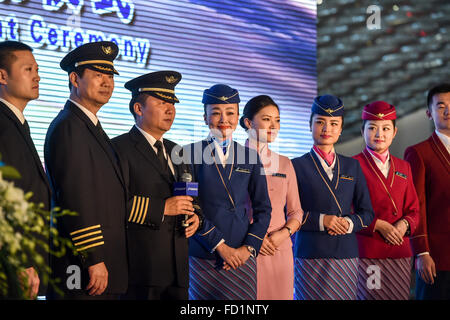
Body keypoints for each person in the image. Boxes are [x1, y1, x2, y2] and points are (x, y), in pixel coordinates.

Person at [44, 41, 128, 300]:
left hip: (100, 265)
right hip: (82, 267)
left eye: (110, 76)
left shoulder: (89, 126)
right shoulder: (69, 126)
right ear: (74, 78)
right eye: (98, 75)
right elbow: (76, 196)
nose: (107, 83)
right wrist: (94, 258)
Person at [111, 71, 200, 300]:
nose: (170, 109)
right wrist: (162, 208)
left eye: (172, 103)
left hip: (178, 269)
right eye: (161, 103)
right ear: (138, 109)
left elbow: (191, 195)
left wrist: (196, 215)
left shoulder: (177, 150)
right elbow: (112, 205)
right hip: (141, 272)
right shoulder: (118, 149)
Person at [184, 84, 272, 300]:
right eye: (215, 112)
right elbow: (189, 206)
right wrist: (220, 246)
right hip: (204, 253)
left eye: (230, 113)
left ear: (238, 117)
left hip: (242, 256)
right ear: (205, 118)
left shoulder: (250, 157)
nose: (224, 119)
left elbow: (263, 208)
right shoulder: (188, 154)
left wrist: (248, 248)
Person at [291, 94, 374, 300]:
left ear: (341, 129)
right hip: (310, 251)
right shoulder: (295, 166)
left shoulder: (352, 166)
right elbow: (289, 212)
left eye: (333, 124)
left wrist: (348, 223)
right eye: (320, 122)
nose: (327, 129)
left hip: (345, 252)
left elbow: (367, 213)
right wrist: (322, 220)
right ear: (310, 125)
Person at [353, 101, 420, 300]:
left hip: (400, 251)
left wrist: (403, 224)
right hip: (369, 250)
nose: (379, 134)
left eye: (385, 128)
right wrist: (378, 225)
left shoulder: (404, 167)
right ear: (362, 130)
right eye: (372, 128)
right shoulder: (352, 165)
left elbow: (414, 210)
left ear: (395, 132)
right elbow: (347, 210)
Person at [0, 40, 51, 299]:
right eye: (28, 69)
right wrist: (19, 261)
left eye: (38, 70)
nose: (37, 76)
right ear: (2, 76)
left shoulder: (17, 123)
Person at [239, 95, 303, 300]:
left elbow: (296, 212)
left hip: (278, 249)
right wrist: (255, 238)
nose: (273, 125)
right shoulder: (232, 160)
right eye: (267, 119)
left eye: (277, 120)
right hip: (244, 248)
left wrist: (281, 235)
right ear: (249, 122)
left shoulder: (284, 163)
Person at [404, 83, 450, 300]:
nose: (448, 111)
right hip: (438, 257)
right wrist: (422, 252)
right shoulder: (419, 153)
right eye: (441, 106)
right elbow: (416, 206)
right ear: (429, 113)